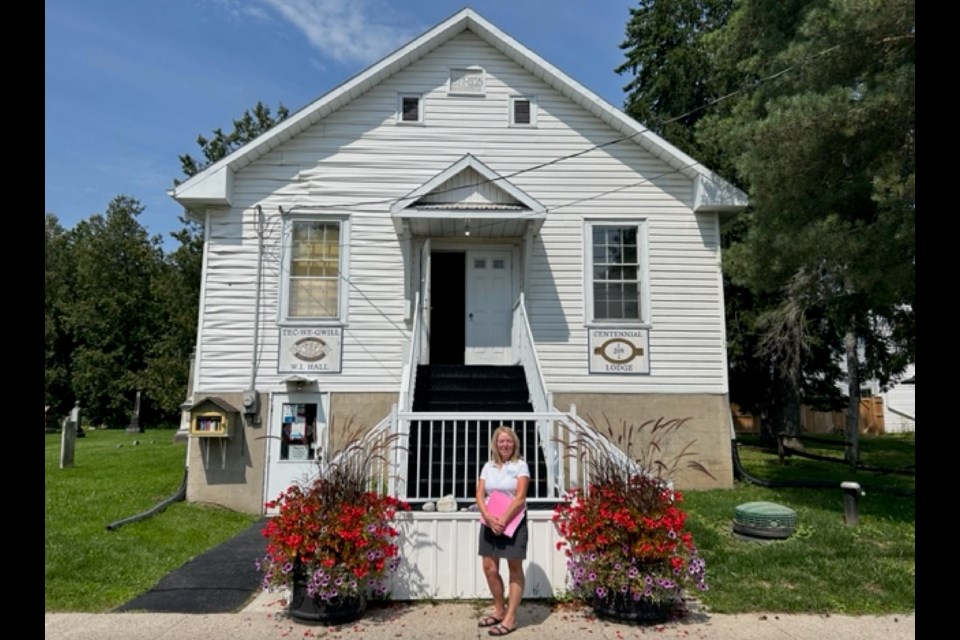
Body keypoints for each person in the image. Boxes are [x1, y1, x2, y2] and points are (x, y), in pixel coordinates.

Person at [476, 425, 530, 637]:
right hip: (489, 521)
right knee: (489, 567)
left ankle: (511, 618)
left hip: (513, 521)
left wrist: (503, 520)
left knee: (514, 568)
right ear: (495, 444)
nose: (505, 444)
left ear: (514, 443)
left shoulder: (520, 465)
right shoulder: (488, 466)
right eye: (501, 441)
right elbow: (479, 495)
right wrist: (489, 518)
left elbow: (520, 497)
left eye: (508, 441)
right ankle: (499, 610)